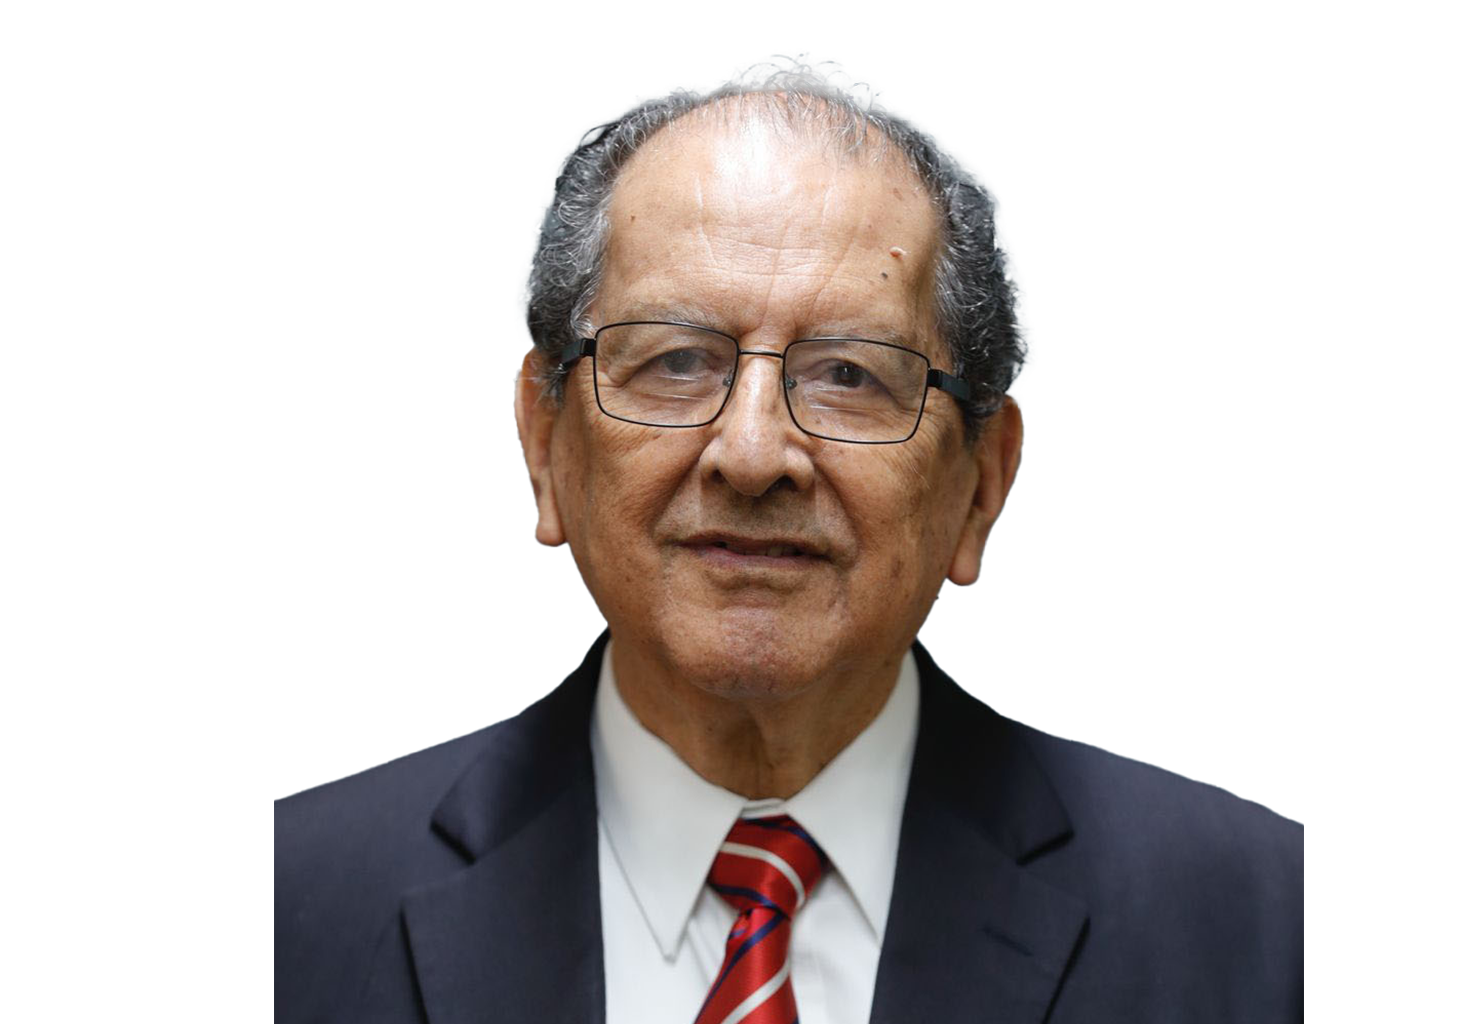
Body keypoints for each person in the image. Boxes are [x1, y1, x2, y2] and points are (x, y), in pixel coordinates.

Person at [275, 66, 1301, 1024]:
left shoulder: (1270, 928)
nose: (754, 453)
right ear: (545, 444)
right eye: (676, 361)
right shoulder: (278, 914)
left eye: (850, 374)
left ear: (982, 483)